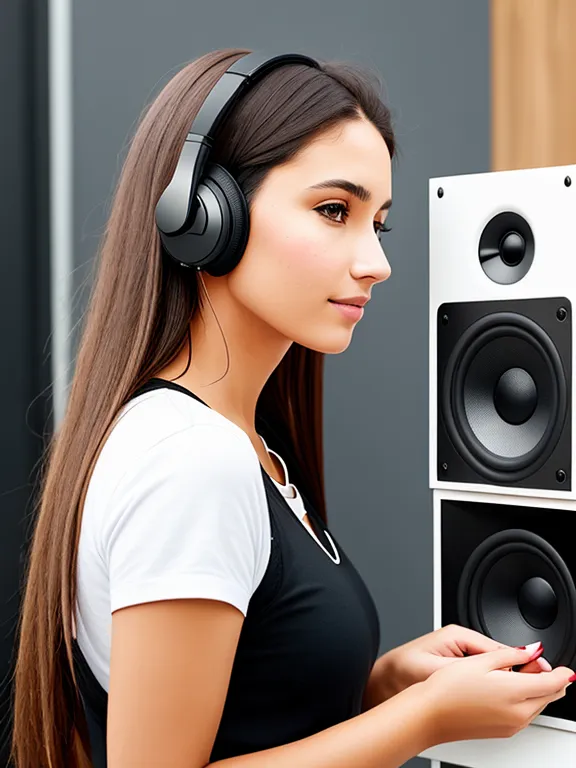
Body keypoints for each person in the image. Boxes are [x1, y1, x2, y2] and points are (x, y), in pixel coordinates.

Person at [10, 47, 575, 768]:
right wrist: (421, 720)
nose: (376, 261)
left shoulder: (243, 446)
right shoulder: (192, 462)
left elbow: (249, 715)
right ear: (204, 216)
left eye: (380, 222)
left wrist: (384, 686)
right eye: (334, 210)